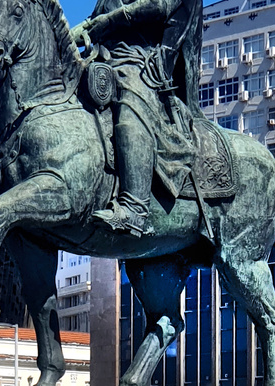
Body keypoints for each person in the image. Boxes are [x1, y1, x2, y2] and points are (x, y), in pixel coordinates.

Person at [71, 0, 203, 237]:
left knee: (129, 103)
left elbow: (159, 5)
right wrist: (63, 38)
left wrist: (109, 21)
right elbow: (92, 23)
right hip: (100, 58)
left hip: (140, 64)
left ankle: (134, 207)